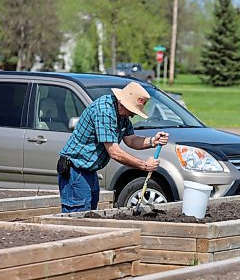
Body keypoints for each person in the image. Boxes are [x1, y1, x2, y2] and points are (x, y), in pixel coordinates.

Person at [57, 81, 169, 213]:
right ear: (122, 103)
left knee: (89, 214)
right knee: (77, 215)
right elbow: (114, 152)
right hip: (75, 170)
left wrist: (152, 141)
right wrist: (144, 165)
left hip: (88, 170)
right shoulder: (104, 111)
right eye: (132, 110)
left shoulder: (122, 115)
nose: (133, 115)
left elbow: (131, 140)